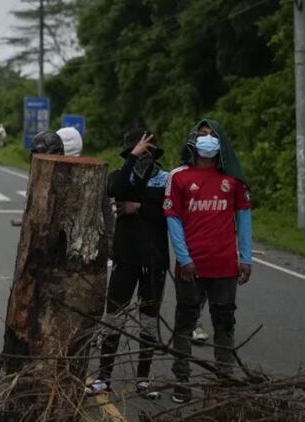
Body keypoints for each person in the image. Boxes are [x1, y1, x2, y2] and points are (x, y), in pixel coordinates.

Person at [164, 119, 252, 403]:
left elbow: (244, 219)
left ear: (220, 142)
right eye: (202, 134)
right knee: (185, 323)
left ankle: (224, 381)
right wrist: (184, 258)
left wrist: (245, 258)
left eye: (213, 135)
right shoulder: (179, 177)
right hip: (190, 267)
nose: (207, 139)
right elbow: (173, 221)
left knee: (224, 323)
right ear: (193, 140)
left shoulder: (233, 180)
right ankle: (182, 381)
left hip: (225, 266)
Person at [86, 130, 169, 400]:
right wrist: (132, 159)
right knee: (114, 317)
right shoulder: (121, 176)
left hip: (154, 259)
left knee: (148, 321)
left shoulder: (166, 180)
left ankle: (143, 379)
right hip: (125, 257)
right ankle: (103, 377)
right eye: (137, 153)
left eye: (146, 153)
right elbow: (117, 190)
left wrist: (140, 207)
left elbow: (168, 211)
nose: (143, 158)